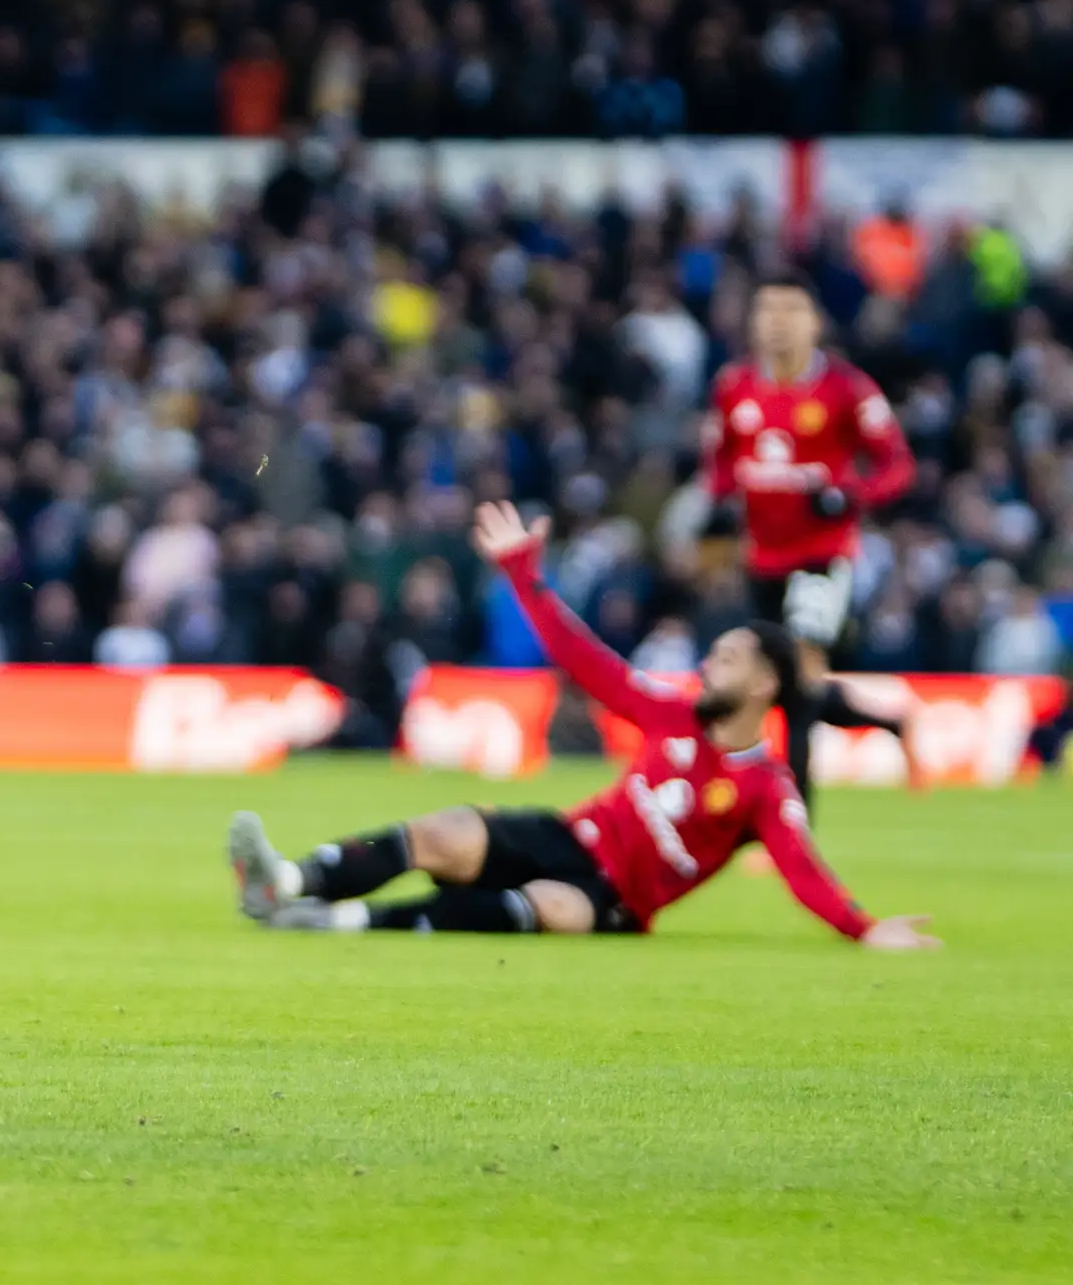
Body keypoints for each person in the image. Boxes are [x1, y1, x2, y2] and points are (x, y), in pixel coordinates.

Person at [227, 499, 931, 948]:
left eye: (729, 657)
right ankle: (284, 883)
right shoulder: (671, 713)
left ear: (765, 683)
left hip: (615, 898)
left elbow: (802, 870)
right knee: (445, 831)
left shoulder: (766, 788)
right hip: (569, 835)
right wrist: (525, 576)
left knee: (551, 907)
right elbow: (579, 656)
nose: (711, 662)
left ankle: (335, 923)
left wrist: (863, 929)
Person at [701, 277, 912, 803]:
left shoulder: (846, 388)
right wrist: (723, 499)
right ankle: (893, 724)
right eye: (767, 308)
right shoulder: (734, 386)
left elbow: (898, 464)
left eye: (791, 309)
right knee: (786, 686)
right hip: (762, 556)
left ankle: (791, 825)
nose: (777, 320)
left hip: (823, 555)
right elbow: (722, 458)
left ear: (815, 323)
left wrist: (850, 494)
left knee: (797, 679)